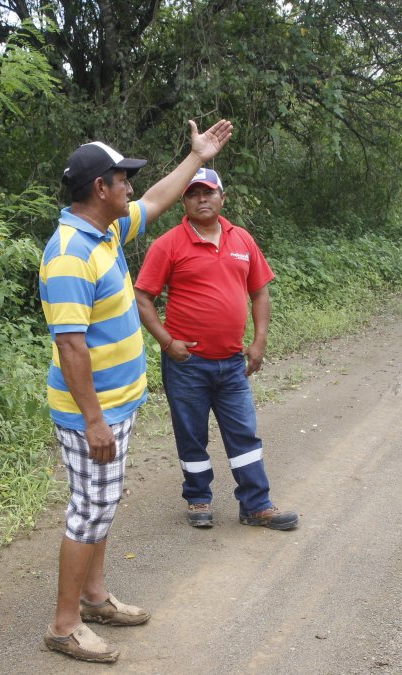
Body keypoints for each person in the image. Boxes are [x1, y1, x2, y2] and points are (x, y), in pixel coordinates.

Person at [39, 119, 233, 662]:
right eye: (122, 179)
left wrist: (196, 158)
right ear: (100, 188)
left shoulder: (106, 231)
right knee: (90, 508)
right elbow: (71, 348)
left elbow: (157, 198)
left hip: (115, 405)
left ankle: (95, 598)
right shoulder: (69, 255)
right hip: (91, 414)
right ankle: (64, 624)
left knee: (102, 505)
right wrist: (94, 419)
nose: (130, 187)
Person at [133, 168, 298, 531]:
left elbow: (260, 292)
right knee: (191, 432)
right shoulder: (169, 244)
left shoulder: (242, 240)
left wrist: (259, 341)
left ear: (223, 197)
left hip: (232, 362)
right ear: (184, 201)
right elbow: (143, 296)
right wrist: (166, 341)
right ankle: (198, 499)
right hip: (186, 363)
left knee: (244, 433)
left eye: (208, 192)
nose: (201, 199)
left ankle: (256, 505)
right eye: (193, 193)